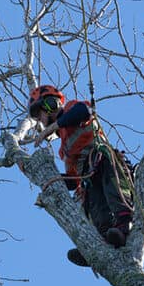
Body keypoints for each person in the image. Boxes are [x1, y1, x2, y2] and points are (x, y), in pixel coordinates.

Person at [28, 84, 134, 267]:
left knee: (113, 190)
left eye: (40, 114)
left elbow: (85, 111)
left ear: (50, 105)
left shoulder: (71, 110)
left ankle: (124, 225)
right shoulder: (65, 148)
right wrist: (49, 179)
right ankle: (102, 242)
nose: (40, 120)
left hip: (103, 159)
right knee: (95, 205)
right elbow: (73, 179)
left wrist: (53, 126)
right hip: (87, 176)